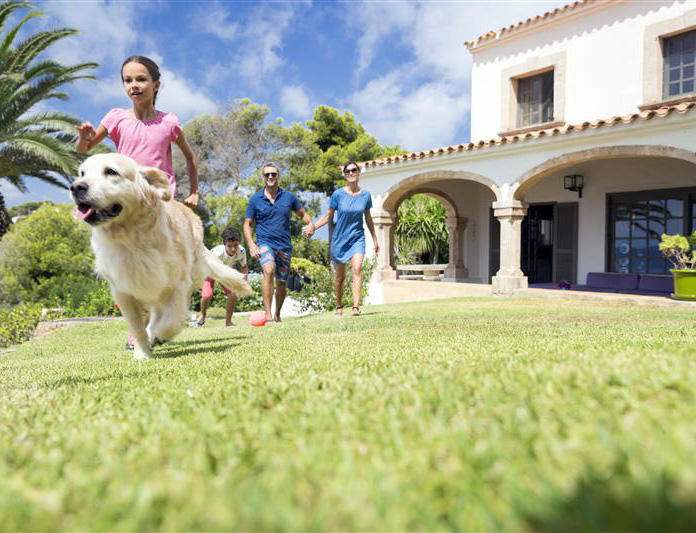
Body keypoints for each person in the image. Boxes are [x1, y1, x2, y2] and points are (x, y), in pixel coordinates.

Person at [76, 55, 199, 349]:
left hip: (158, 197)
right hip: (124, 196)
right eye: (128, 80)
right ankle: (141, 331)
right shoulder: (116, 118)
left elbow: (190, 157)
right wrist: (84, 138)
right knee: (128, 264)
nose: (134, 85)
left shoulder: (169, 122)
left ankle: (167, 315)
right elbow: (86, 149)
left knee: (166, 260)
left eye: (141, 79)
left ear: (156, 85)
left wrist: (194, 190)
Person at [244, 163, 315, 323]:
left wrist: (310, 224)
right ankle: (268, 315)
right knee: (269, 270)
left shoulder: (288, 197)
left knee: (282, 282)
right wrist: (251, 244)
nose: (270, 177)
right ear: (263, 177)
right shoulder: (255, 199)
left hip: (284, 246)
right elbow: (247, 224)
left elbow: (303, 214)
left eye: (273, 174)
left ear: (278, 176)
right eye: (267, 174)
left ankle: (277, 314)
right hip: (264, 242)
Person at [307, 162, 378, 316]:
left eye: (354, 170)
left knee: (357, 269)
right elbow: (329, 216)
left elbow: (368, 218)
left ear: (359, 173)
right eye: (348, 171)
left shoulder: (366, 196)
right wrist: (313, 227)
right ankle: (339, 305)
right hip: (340, 240)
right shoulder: (338, 195)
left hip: (357, 238)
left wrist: (375, 239)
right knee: (340, 277)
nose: (351, 173)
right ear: (345, 174)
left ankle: (355, 307)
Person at [194, 227, 248, 327]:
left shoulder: (242, 251)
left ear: (239, 242)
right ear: (224, 244)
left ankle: (228, 322)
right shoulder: (216, 253)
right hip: (209, 271)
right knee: (207, 295)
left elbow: (244, 267)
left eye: (236, 245)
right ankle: (202, 315)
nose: (233, 249)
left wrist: (244, 281)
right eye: (229, 246)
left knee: (232, 295)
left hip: (224, 272)